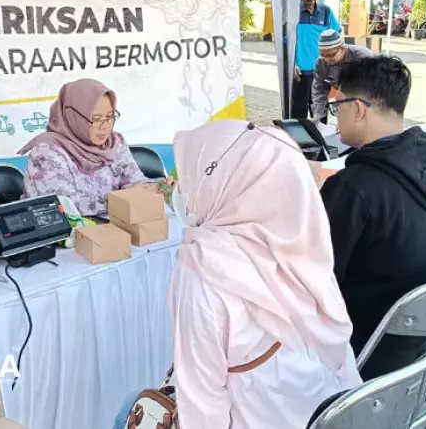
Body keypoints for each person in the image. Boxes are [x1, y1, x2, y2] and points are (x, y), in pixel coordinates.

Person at [114, 120, 361, 429]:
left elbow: (203, 403)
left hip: (259, 418)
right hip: (333, 412)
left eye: (191, 177)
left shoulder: (204, 266)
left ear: (221, 185)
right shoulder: (302, 241)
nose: (182, 189)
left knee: (127, 410)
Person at [320, 56, 426, 380]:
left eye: (337, 107)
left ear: (358, 109)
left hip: (364, 352)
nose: (336, 118)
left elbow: (316, 282)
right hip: (422, 346)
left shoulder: (353, 186)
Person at [19, 79, 160, 218]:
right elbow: (63, 205)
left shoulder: (114, 143)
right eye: (96, 119)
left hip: (113, 226)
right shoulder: (47, 152)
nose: (105, 126)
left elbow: (133, 181)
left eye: (110, 116)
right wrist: (117, 201)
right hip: (64, 230)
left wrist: (153, 188)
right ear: (72, 116)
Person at [292, 0, 342, 119]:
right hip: (300, 73)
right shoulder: (293, 13)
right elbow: (285, 42)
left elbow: (337, 37)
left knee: (320, 115)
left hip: (322, 73)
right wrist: (292, 63)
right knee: (298, 116)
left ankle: (319, 134)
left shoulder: (326, 12)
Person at [310, 29, 373, 123]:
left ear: (342, 48)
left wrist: (349, 116)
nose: (326, 59)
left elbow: (368, 89)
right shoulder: (321, 62)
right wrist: (317, 114)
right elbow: (319, 89)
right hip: (345, 97)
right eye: (323, 55)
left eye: (331, 55)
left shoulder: (362, 57)